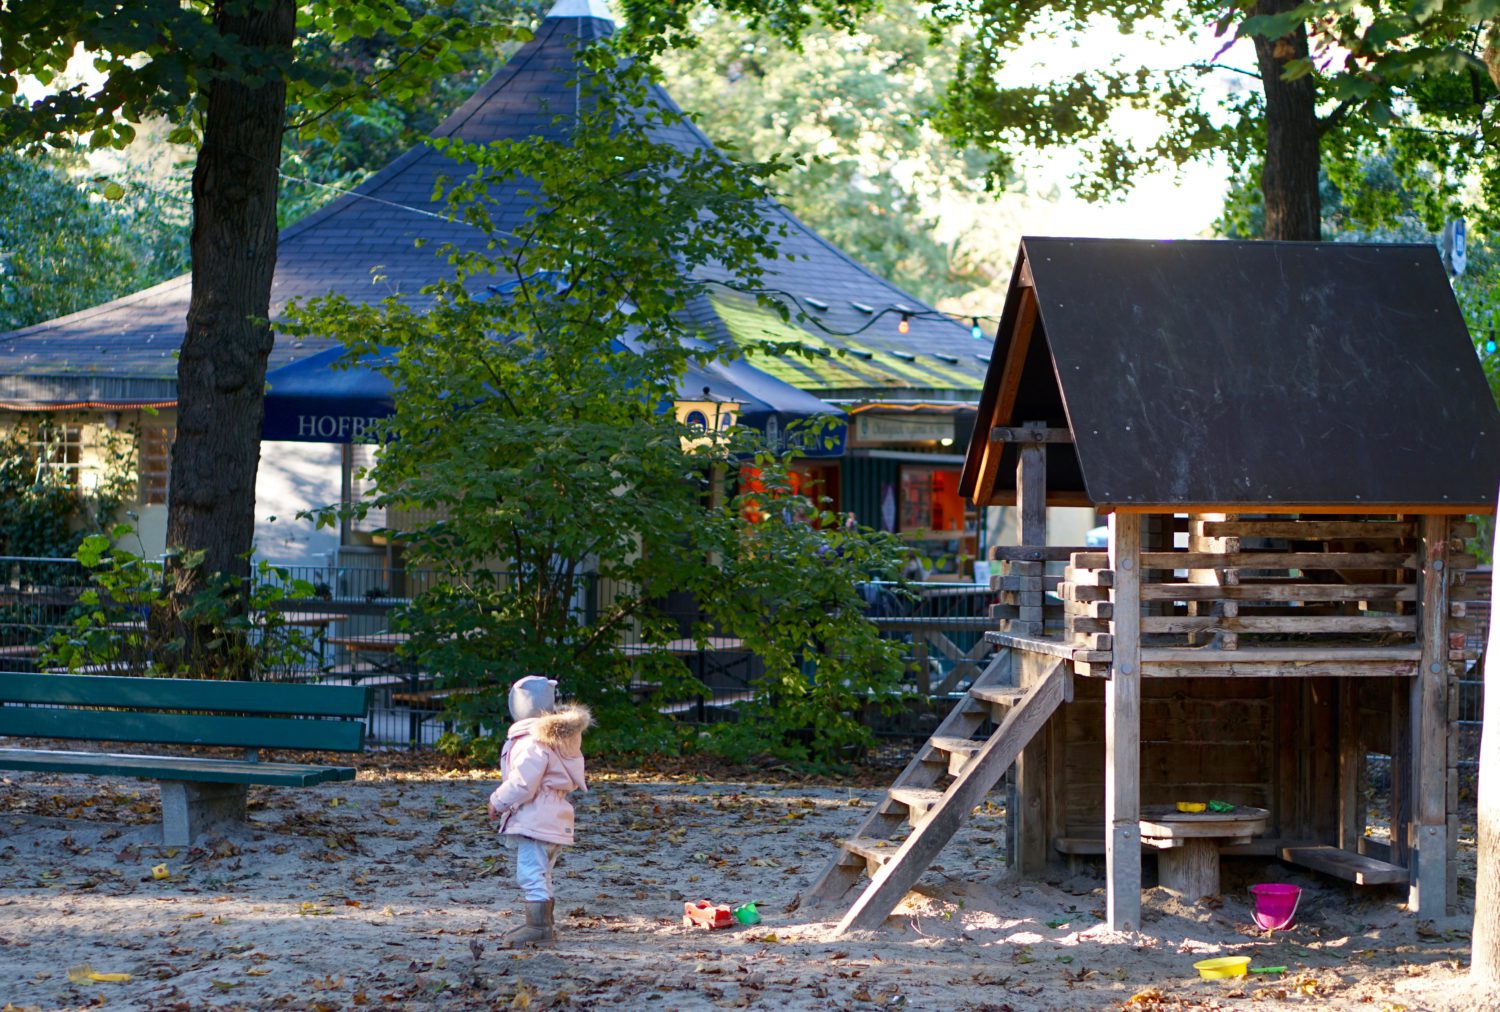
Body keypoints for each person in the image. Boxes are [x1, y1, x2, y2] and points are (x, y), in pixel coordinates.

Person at [487, 675, 591, 947]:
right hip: (554, 815)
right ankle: (543, 923)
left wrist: (498, 801)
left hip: (536, 816)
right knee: (543, 871)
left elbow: (523, 783)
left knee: (530, 872)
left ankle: (539, 927)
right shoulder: (558, 739)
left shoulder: (531, 741)